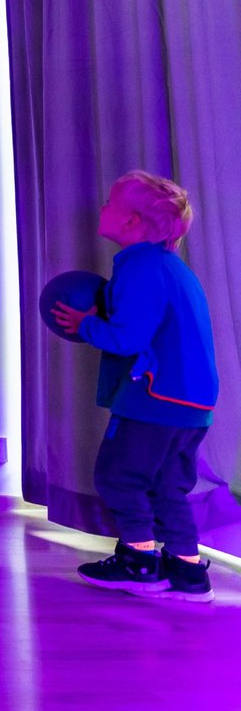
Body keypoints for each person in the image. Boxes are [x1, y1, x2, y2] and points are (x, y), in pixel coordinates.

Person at [52, 171, 219, 602]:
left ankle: (139, 561)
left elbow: (127, 338)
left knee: (119, 475)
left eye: (110, 202)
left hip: (154, 398)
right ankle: (187, 573)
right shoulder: (170, 268)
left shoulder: (139, 267)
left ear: (131, 223)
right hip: (191, 404)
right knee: (168, 486)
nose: (102, 208)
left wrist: (86, 323)